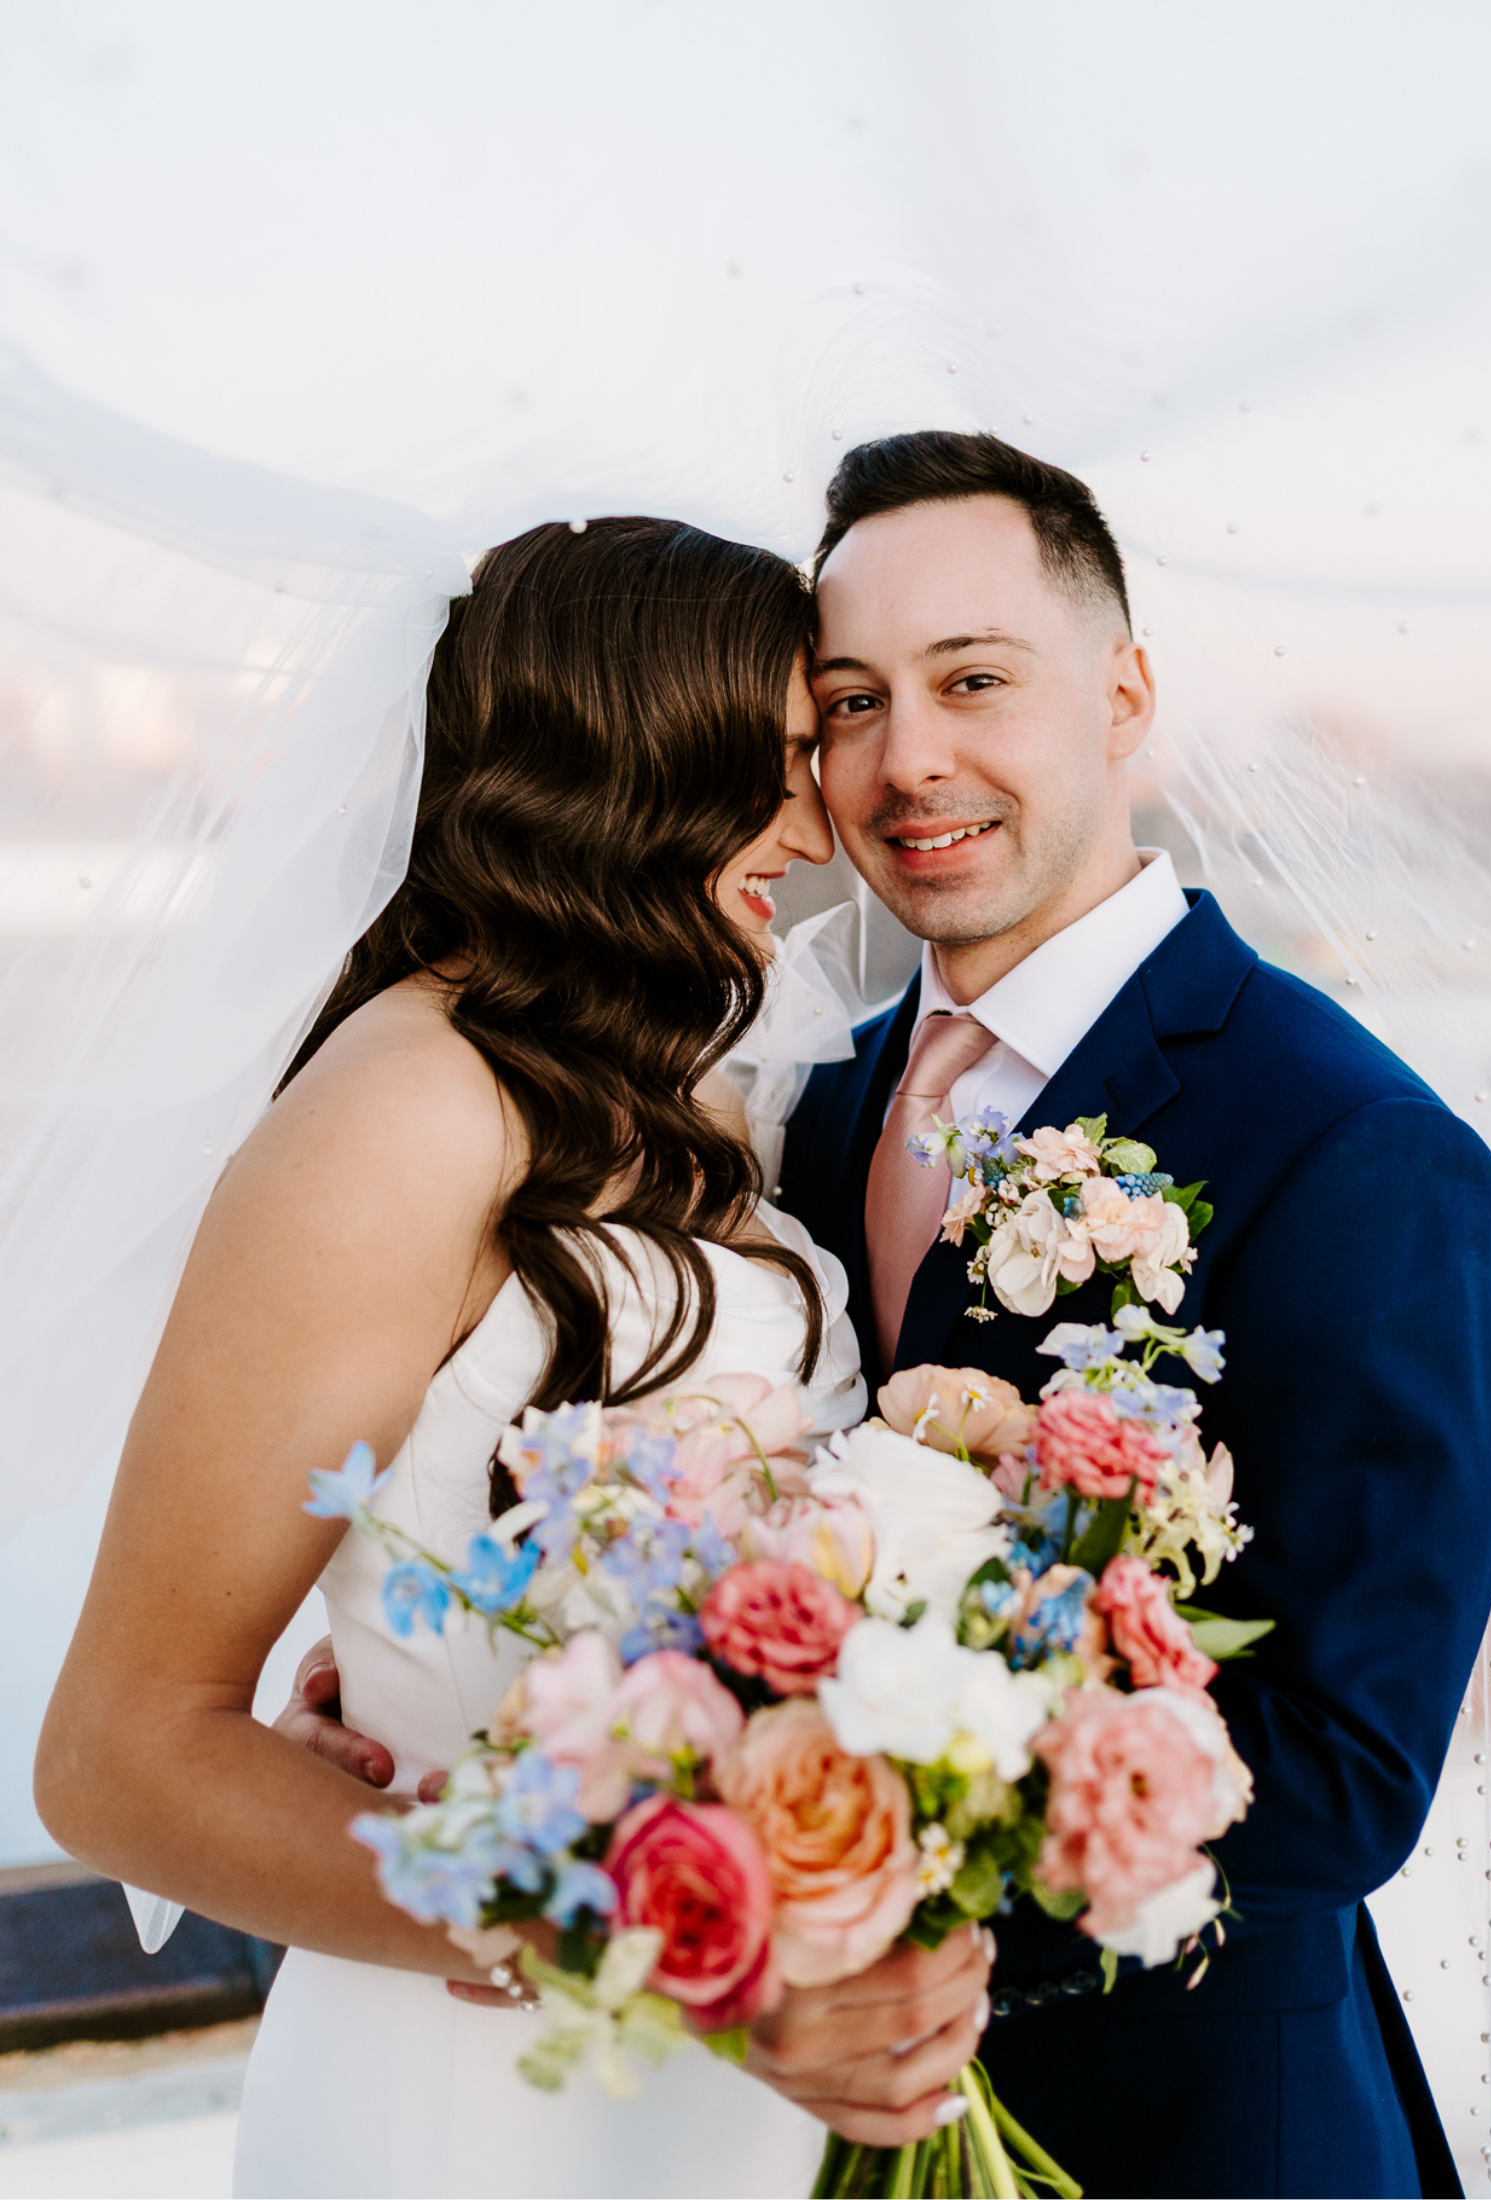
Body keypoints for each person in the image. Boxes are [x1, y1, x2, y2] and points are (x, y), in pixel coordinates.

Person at [33, 514, 992, 2200]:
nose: (815, 828)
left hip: (730, 2094)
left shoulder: (670, 1087)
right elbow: (117, 1759)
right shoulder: (402, 1112)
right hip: (479, 2098)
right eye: (766, 763)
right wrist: (654, 1931)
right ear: (632, 763)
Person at [780, 432, 1491, 2198]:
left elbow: (1340, 1777)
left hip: (1199, 2135)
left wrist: (849, 1903)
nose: (908, 760)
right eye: (852, 701)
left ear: (1119, 694)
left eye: (973, 681)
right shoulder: (808, 1108)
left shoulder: (1355, 1148)